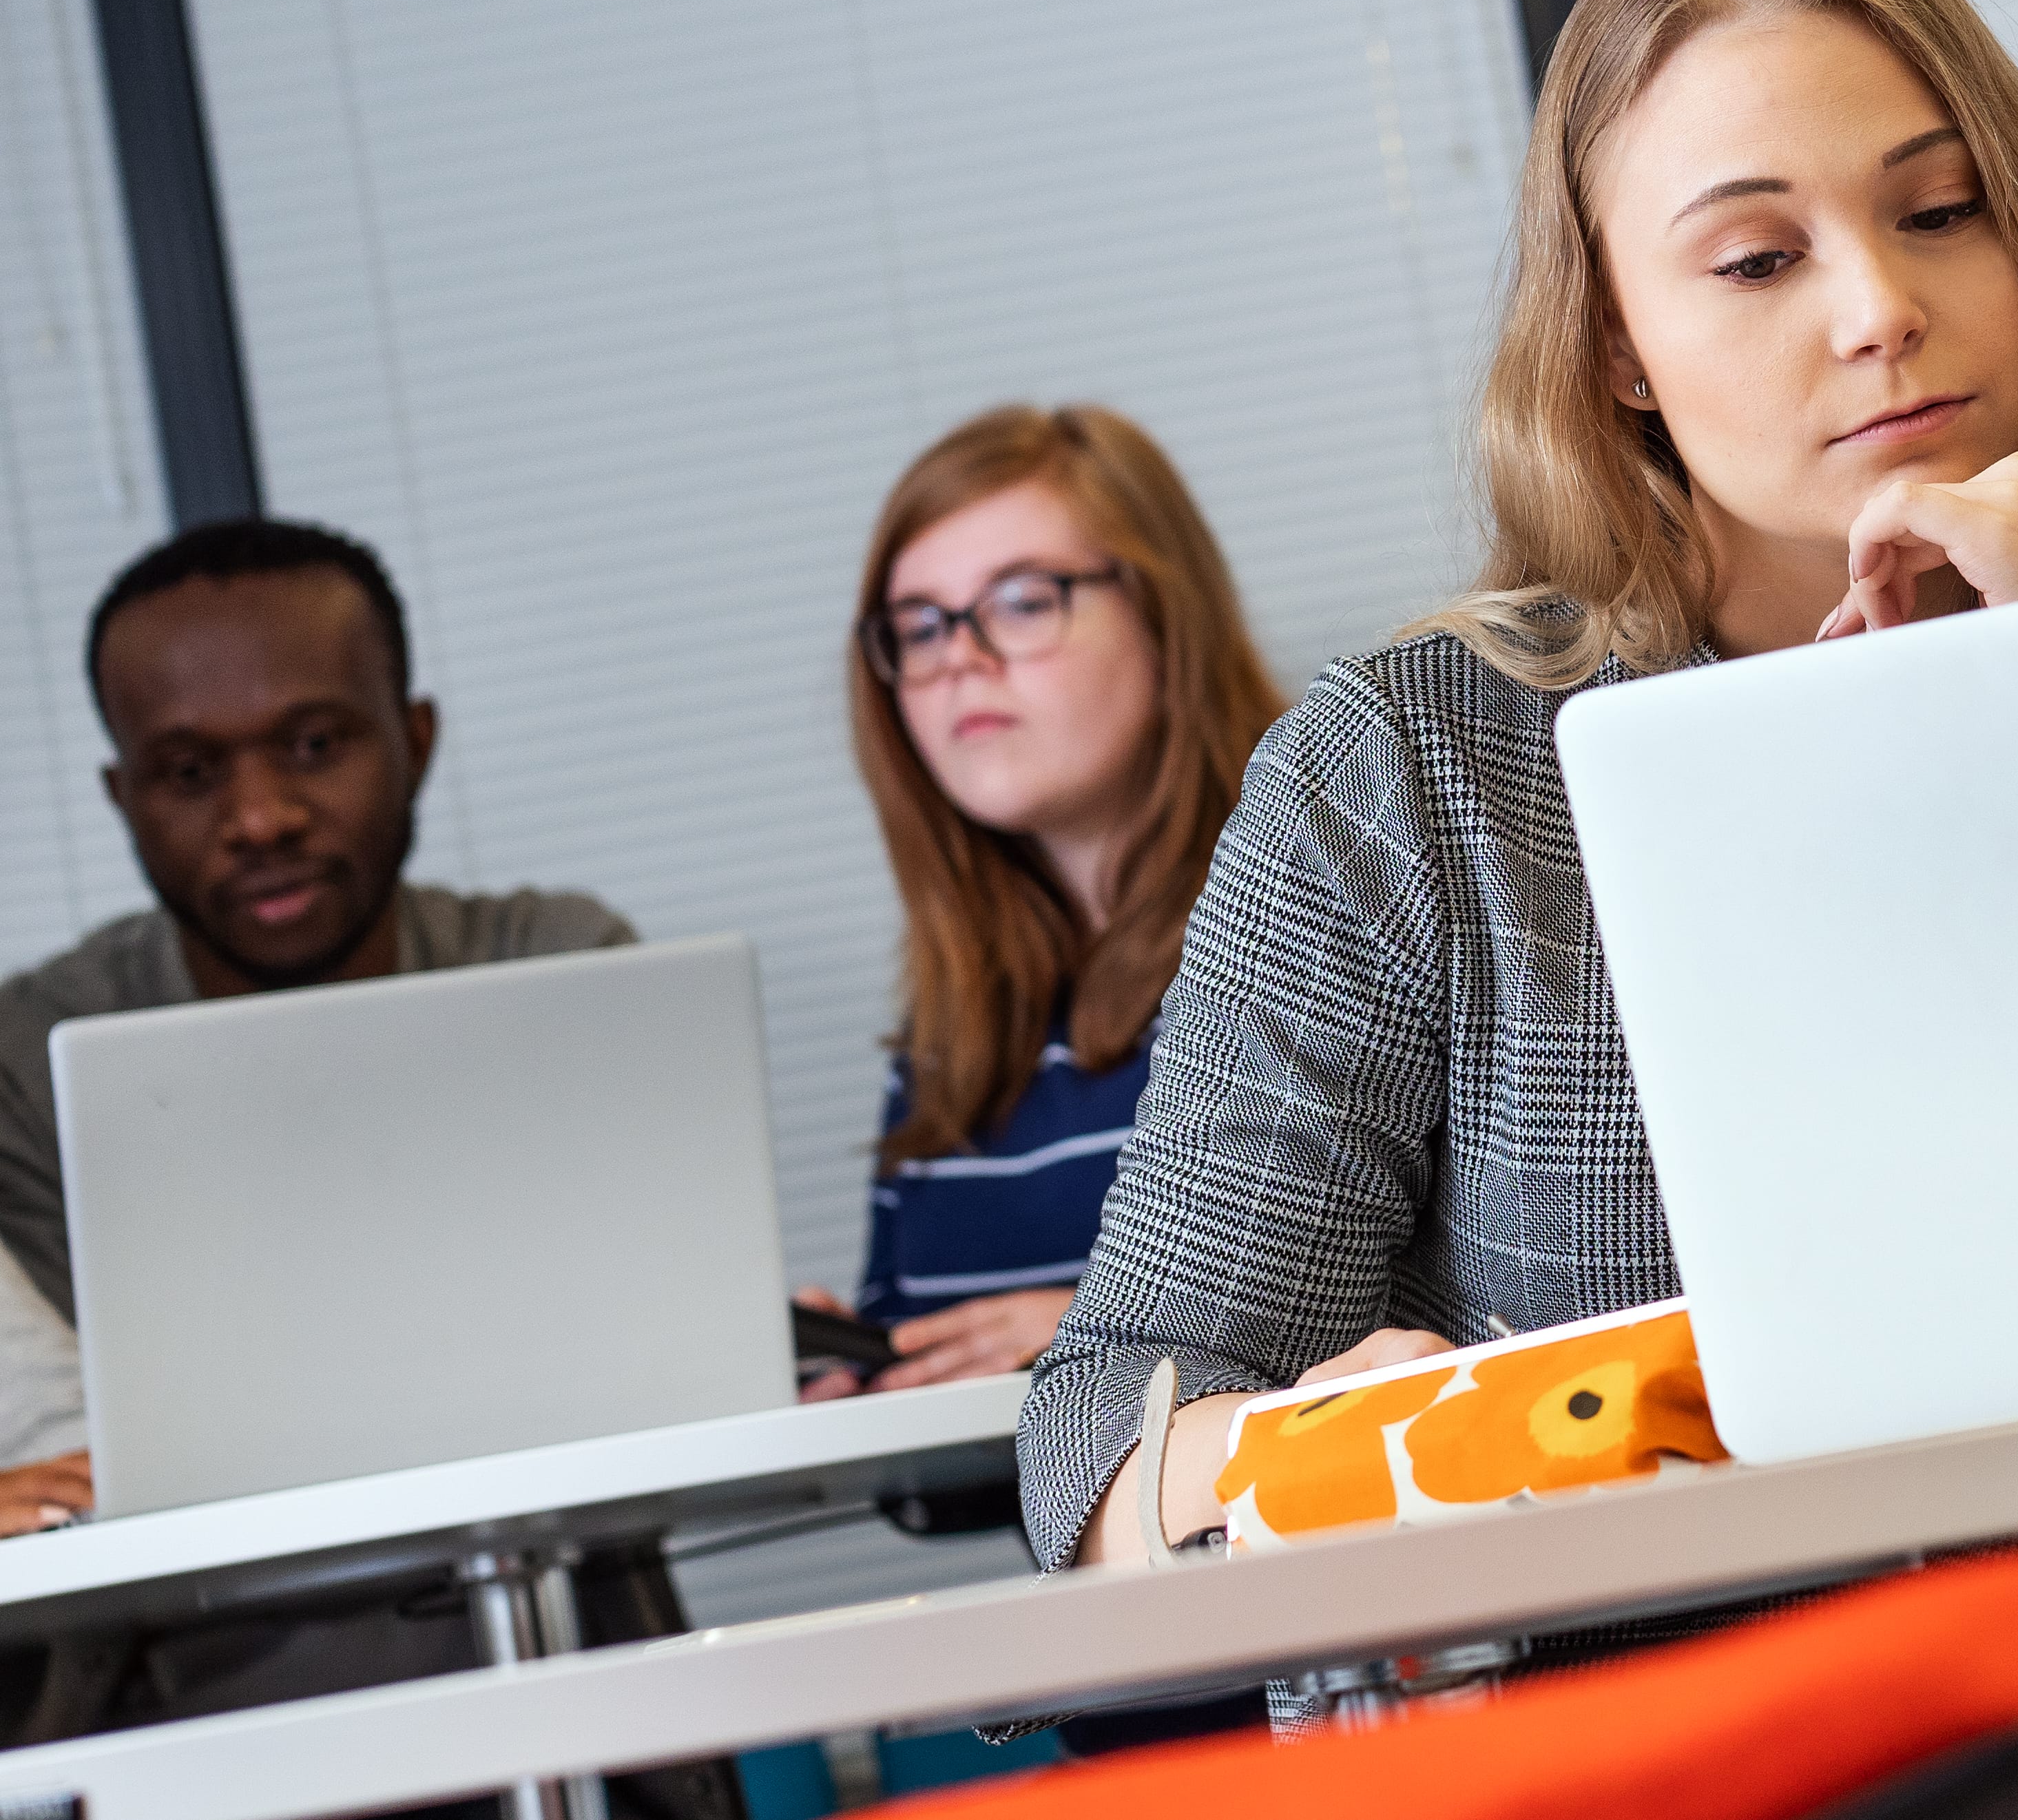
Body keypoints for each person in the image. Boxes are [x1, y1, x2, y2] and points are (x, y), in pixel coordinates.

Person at [1014, 0, 2018, 1810]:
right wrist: (1320, 1456)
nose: (1876, 306)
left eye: (1940, 211)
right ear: (1618, 346)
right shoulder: (1422, 772)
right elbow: (1095, 1459)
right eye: (1758, 257)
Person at [0, 520, 730, 1812]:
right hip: (186, 1741)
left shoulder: (558, 967)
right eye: (186, 770)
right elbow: (90, 1450)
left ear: (419, 737)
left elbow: (656, 1384)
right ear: (121, 797)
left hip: (570, 1698)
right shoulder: (28, 1056)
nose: (262, 816)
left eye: (316, 744)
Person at [801, 406, 1284, 1397]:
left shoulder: (1324, 924)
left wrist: (1102, 1340)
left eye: (1022, 601)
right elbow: (945, 1474)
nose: (962, 658)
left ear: (1164, 615)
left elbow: (1462, 1302)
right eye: (920, 626)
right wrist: (861, 1376)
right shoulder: (953, 1034)